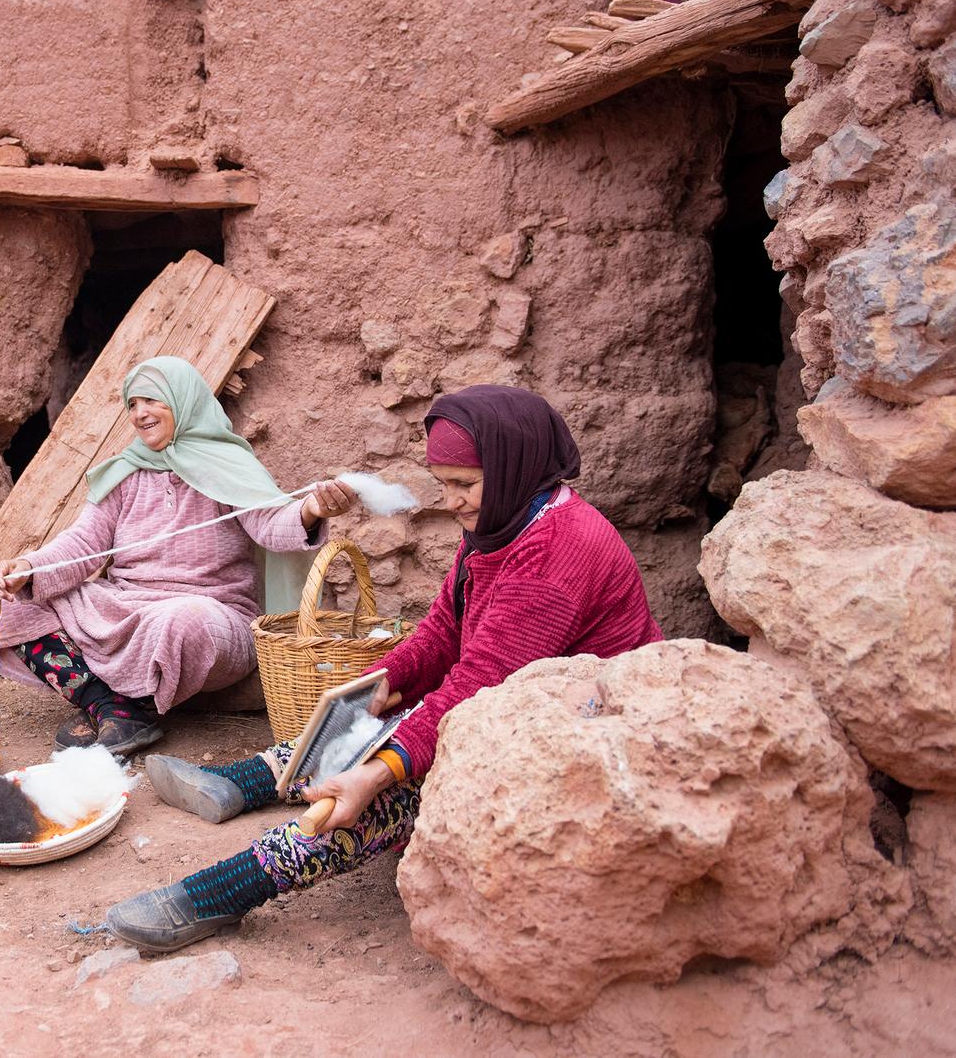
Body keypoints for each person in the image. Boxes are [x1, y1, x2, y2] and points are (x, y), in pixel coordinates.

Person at [106, 384, 663, 951]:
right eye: (444, 483)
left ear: (516, 466)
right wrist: (383, 682)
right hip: (512, 703)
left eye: (465, 484)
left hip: (580, 739)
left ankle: (222, 892)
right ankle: (241, 783)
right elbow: (446, 627)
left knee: (387, 789)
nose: (452, 502)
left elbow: (477, 686)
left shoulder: (557, 550)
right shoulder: (504, 521)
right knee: (365, 720)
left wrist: (377, 773)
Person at [0, 356, 358, 756]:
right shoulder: (124, 472)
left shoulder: (227, 466)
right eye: (132, 403)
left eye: (152, 400)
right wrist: (28, 568)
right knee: (5, 602)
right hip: (125, 604)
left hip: (213, 612)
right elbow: (83, 544)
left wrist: (312, 510)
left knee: (185, 620)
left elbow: (271, 524)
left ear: (182, 400)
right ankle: (108, 705)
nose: (140, 413)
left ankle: (119, 707)